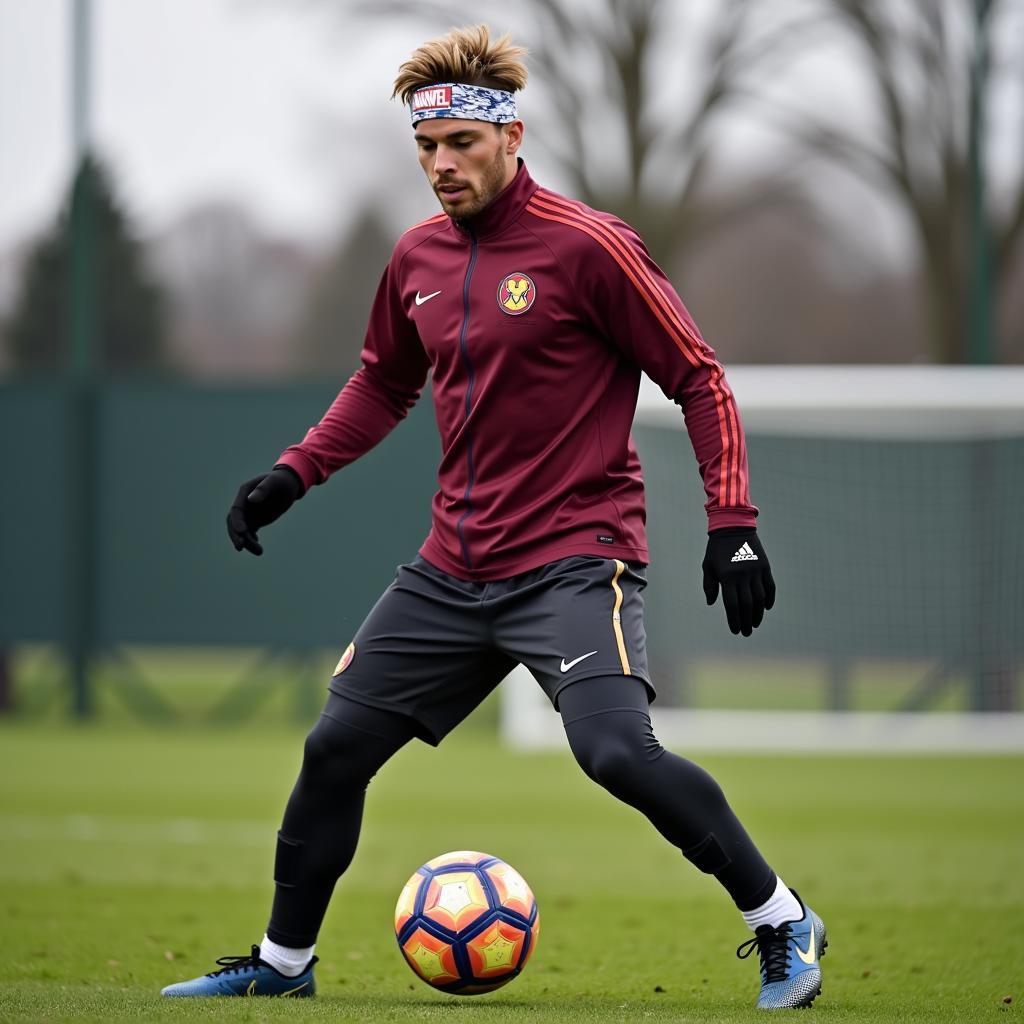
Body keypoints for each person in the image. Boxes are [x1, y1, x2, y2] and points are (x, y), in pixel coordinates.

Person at [161, 24, 826, 1010]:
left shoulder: (589, 247)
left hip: (571, 561)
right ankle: (282, 964)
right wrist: (294, 473)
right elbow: (383, 383)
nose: (439, 164)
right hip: (448, 568)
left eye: (460, 144)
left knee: (613, 752)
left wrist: (732, 518)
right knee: (332, 750)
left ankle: (780, 920)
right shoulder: (416, 257)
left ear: (511, 136)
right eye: (425, 147)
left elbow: (697, 375)